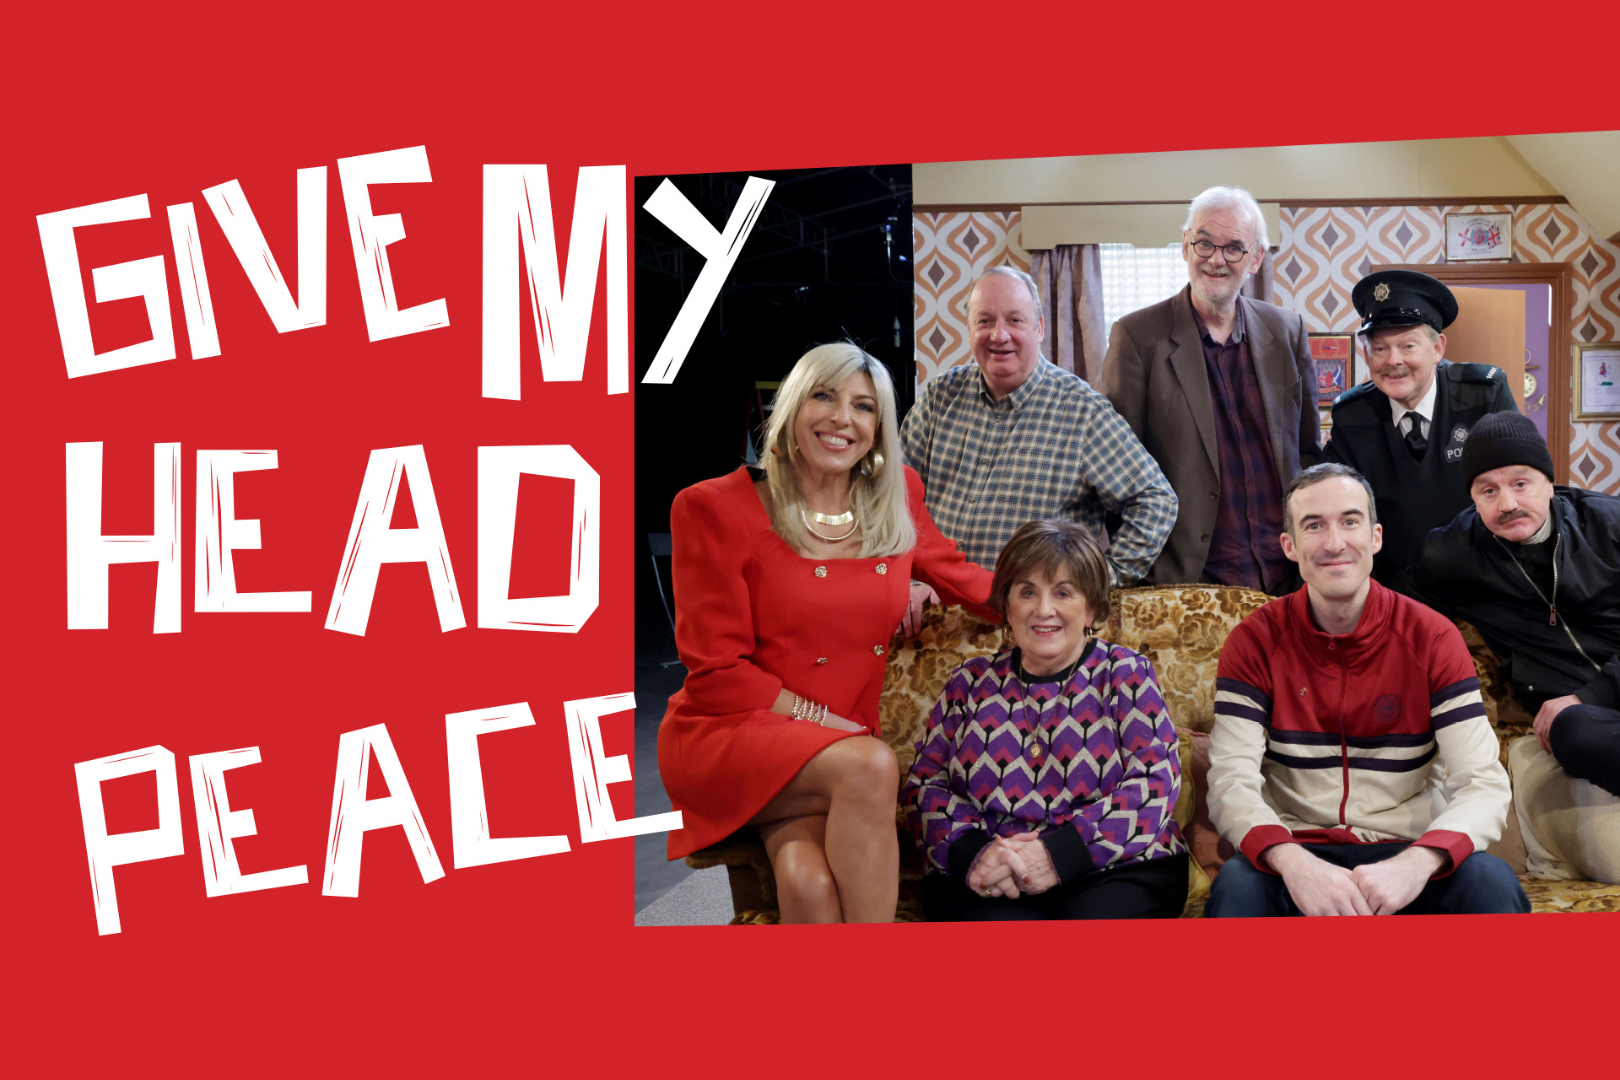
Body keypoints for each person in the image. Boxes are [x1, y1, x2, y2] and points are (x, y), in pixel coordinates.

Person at [657, 342, 999, 923]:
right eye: (824, 396)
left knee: (809, 883)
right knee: (871, 766)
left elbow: (967, 581)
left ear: (878, 428)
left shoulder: (897, 498)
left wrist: (1061, 597)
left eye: (863, 406)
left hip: (835, 750)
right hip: (733, 735)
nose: (843, 418)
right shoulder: (712, 507)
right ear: (792, 407)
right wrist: (831, 728)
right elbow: (717, 675)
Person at [1204, 463, 1528, 916]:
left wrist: (1418, 862)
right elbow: (1229, 783)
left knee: (1491, 883)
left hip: (1409, 852)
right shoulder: (1255, 640)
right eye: (1314, 526)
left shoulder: (1431, 637)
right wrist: (1293, 863)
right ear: (1290, 547)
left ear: (1375, 537)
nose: (1334, 543)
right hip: (1296, 852)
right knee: (1237, 888)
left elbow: (1482, 783)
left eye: (1350, 521)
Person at [902, 519, 1189, 921]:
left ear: (1090, 607)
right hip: (993, 868)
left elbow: (1156, 782)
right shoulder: (970, 681)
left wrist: (1059, 855)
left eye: (1063, 593)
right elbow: (923, 785)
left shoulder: (1126, 673)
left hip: (1115, 868)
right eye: (1027, 592)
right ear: (1007, 606)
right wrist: (976, 852)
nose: (1044, 610)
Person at [1101, 185, 1321, 591]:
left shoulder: (1287, 331)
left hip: (1290, 577)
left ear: (1255, 259)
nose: (1216, 260)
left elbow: (1307, 452)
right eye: (1205, 243)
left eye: (1234, 247)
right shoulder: (1137, 337)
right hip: (1187, 584)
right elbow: (1116, 475)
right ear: (1186, 246)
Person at [900, 265, 1176, 588]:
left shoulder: (1083, 412)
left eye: (1014, 320)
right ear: (970, 328)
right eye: (984, 320)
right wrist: (907, 581)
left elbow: (1156, 500)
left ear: (1040, 328)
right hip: (934, 610)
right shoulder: (939, 397)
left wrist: (1099, 582)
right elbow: (893, 498)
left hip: (1030, 623)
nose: (998, 335)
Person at [1399, 411, 1620, 797]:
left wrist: (1593, 693)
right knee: (1573, 731)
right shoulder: (1452, 554)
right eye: (1488, 491)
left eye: (1521, 484)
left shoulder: (1607, 524)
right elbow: (1390, 607)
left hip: (1599, 694)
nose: (1508, 503)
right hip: (1587, 724)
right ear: (1471, 497)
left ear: (1549, 484)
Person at [1325, 268, 1518, 581]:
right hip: (1392, 589)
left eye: (1408, 346)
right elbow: (1335, 504)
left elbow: (1518, 487)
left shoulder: (1483, 395)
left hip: (1483, 582)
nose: (1393, 360)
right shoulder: (1352, 416)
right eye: (1380, 348)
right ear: (1367, 353)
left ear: (1438, 348)